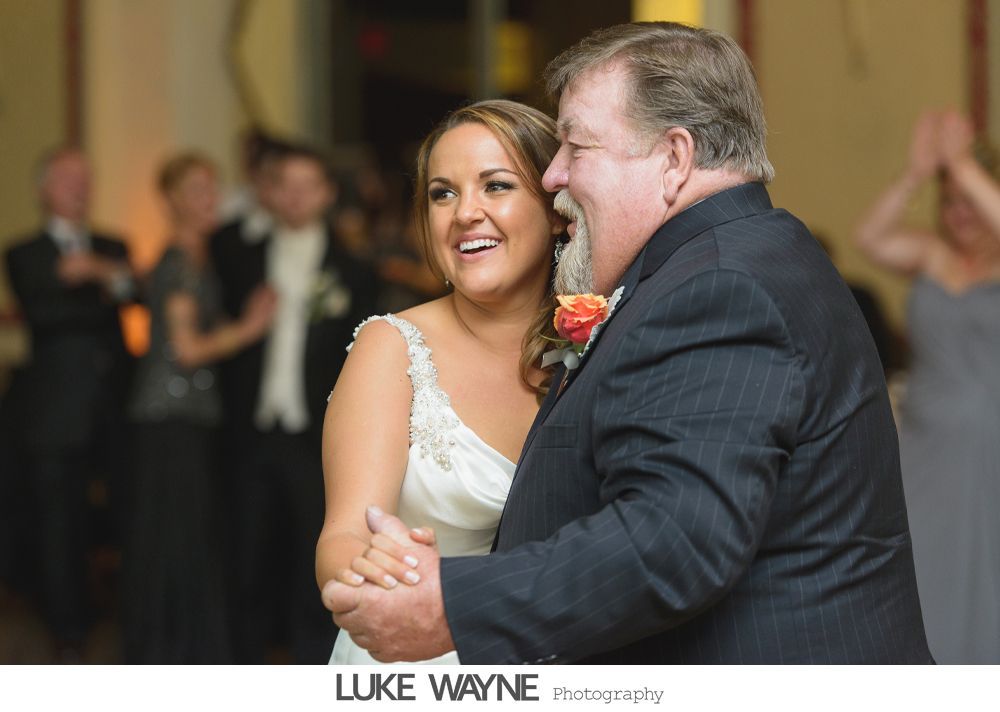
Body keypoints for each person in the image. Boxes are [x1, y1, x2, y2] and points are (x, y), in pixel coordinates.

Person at [323, 22, 933, 664]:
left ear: (674, 157)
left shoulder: (719, 288)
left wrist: (454, 605)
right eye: (441, 193)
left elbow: (677, 540)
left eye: (576, 148)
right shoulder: (735, 259)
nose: (555, 177)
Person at [316, 99, 567, 664]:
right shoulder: (393, 348)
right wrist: (367, 569)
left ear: (557, 208)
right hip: (419, 663)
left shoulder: (598, 341)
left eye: (496, 186)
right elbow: (343, 537)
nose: (464, 213)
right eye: (442, 193)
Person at [213, 144, 378, 663]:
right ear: (269, 191)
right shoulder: (234, 256)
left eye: (309, 186)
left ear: (327, 194)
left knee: (317, 560)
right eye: (285, 184)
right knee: (244, 560)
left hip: (318, 437)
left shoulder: (353, 272)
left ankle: (313, 673)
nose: (296, 196)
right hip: (248, 431)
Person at [855, 109, 1000, 664]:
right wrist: (918, 174)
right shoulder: (932, 255)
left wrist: (960, 165)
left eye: (970, 201)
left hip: (988, 447)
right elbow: (870, 236)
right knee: (922, 565)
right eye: (950, 202)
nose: (959, 214)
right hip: (923, 443)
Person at [123, 153, 276, 663]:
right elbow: (185, 349)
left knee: (185, 538)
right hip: (170, 419)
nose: (208, 200)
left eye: (212, 189)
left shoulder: (199, 256)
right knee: (175, 540)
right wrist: (250, 329)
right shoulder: (179, 261)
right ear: (171, 201)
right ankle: (174, 656)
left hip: (186, 418)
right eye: (196, 191)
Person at [2, 147, 135, 658]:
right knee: (59, 519)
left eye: (85, 178)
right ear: (43, 190)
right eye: (67, 179)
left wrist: (94, 273)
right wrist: (103, 283)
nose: (80, 188)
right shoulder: (24, 250)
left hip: (114, 403)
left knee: (123, 508)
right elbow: (46, 312)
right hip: (56, 409)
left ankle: (126, 614)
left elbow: (134, 293)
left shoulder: (109, 244)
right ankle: (67, 626)